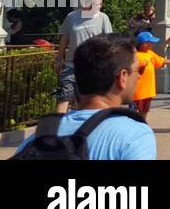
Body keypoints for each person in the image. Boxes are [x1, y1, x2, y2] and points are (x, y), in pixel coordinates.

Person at [14, 34, 157, 159]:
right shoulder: (135, 135)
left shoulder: (38, 137)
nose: (139, 76)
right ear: (123, 77)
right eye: (138, 70)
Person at [55, 0, 114, 113]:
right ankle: (57, 129)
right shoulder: (72, 17)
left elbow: (108, 42)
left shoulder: (103, 18)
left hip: (92, 67)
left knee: (86, 103)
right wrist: (59, 59)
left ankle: (84, 128)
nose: (99, 7)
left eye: (100, 4)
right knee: (63, 98)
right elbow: (64, 39)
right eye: (96, 4)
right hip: (71, 66)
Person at [131, 32, 170, 122]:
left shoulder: (150, 53)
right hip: (138, 92)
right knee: (138, 112)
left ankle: (143, 125)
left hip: (148, 91)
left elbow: (161, 61)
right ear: (143, 44)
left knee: (145, 111)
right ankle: (140, 126)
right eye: (150, 42)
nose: (152, 44)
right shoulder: (135, 55)